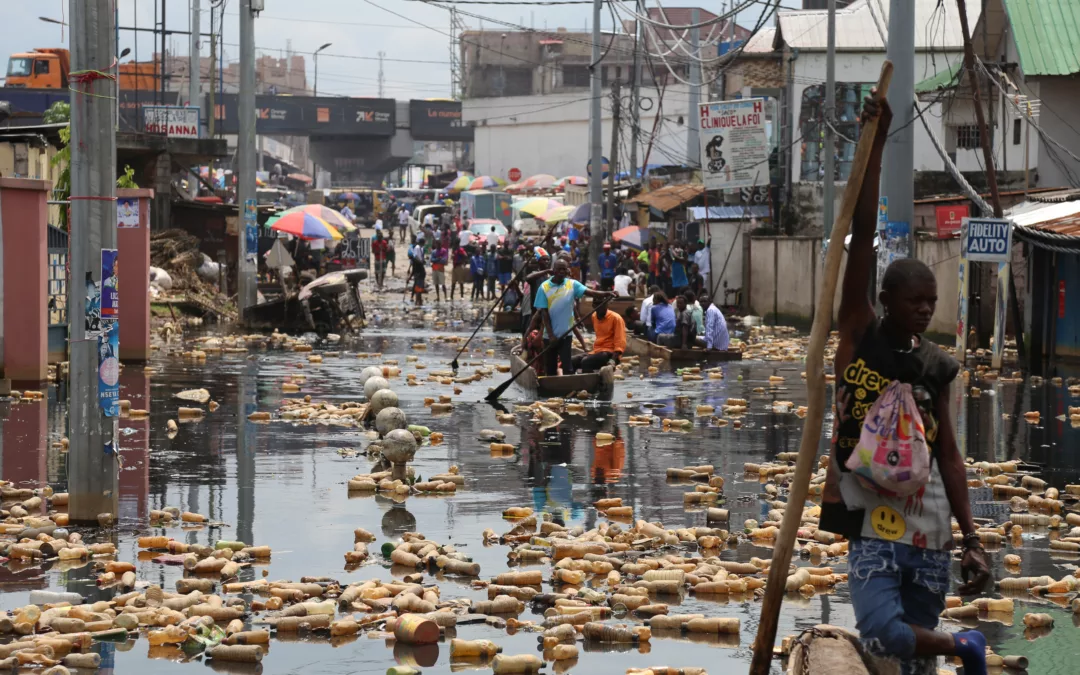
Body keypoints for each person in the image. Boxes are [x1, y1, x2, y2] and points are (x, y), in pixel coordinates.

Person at [820, 89, 989, 675]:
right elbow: (863, 233)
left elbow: (949, 455)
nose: (923, 310)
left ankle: (947, 651)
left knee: (914, 664)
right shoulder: (859, 335)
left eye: (931, 303)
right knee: (884, 635)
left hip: (929, 518)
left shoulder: (937, 365)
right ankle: (964, 646)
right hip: (868, 510)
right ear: (885, 300)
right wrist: (874, 146)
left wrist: (972, 537)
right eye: (914, 301)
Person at [532, 258, 614, 376]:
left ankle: (567, 388)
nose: (561, 271)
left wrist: (607, 293)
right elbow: (544, 313)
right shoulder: (544, 287)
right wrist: (551, 335)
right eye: (559, 269)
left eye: (564, 269)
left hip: (566, 334)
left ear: (567, 271)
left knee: (568, 367)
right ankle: (551, 390)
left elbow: (590, 292)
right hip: (549, 336)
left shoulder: (572, 284)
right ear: (553, 270)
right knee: (550, 368)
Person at [572, 301, 626, 373]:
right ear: (594, 306)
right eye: (599, 306)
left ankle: (591, 382)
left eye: (604, 305)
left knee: (586, 362)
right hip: (597, 351)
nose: (603, 308)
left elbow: (620, 342)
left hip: (610, 353)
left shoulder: (616, 318)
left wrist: (612, 360)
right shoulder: (594, 316)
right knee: (572, 361)